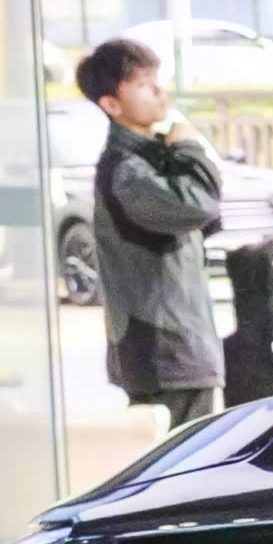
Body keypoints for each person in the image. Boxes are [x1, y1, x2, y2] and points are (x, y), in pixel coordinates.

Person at [74, 36, 225, 427]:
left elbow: (204, 219)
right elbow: (198, 204)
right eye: (143, 84)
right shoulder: (127, 170)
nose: (159, 91)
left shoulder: (149, 157)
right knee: (181, 457)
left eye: (156, 79)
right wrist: (189, 148)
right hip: (165, 351)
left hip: (174, 347)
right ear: (112, 104)